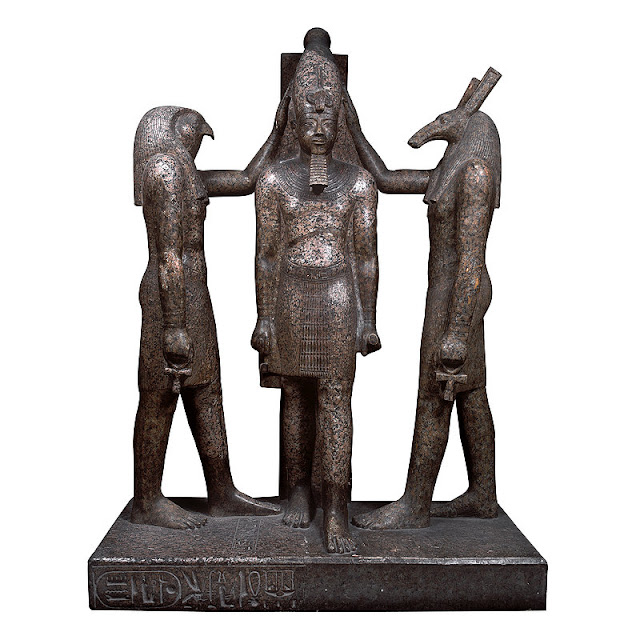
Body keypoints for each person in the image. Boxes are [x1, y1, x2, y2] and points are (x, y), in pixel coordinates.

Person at [351, 70, 502, 530]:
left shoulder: (474, 173)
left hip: (458, 291)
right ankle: (483, 494)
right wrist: (352, 129)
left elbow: (471, 259)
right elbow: (386, 179)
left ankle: (415, 504)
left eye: (445, 123)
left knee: (438, 387)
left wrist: (456, 330)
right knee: (470, 392)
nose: (435, 129)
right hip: (451, 288)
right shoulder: (454, 168)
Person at [131, 97, 288, 529]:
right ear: (175, 132)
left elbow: (246, 179)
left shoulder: (184, 172)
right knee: (161, 395)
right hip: (171, 297)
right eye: (195, 133)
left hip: (192, 293)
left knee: (206, 391)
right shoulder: (165, 172)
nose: (200, 141)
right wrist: (174, 326)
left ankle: (221, 491)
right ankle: (147, 500)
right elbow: (169, 255)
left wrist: (277, 132)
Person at [251, 28, 380, 553]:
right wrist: (264, 316)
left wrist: (368, 318)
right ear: (294, 120)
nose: (320, 123)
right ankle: (299, 491)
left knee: (336, 402)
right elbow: (266, 254)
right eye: (310, 112)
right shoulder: (274, 182)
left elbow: (366, 256)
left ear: (341, 118)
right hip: (289, 297)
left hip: (338, 299)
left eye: (330, 113)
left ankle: (337, 511)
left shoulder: (358, 183)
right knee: (295, 398)